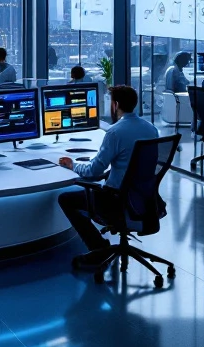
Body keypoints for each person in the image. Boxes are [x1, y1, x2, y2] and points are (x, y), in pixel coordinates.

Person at [57, 85, 157, 266]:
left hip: (116, 201)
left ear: (116, 104)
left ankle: (98, 248)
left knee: (66, 199)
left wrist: (73, 165)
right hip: (143, 199)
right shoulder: (151, 129)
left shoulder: (114, 132)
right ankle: (100, 246)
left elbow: (93, 172)